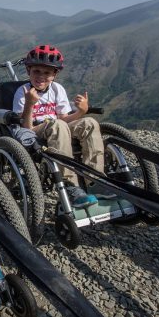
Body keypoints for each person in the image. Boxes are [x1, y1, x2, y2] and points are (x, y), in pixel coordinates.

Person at [12, 44, 115, 208]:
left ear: (54, 74)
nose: (41, 76)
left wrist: (81, 112)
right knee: (57, 125)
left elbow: (65, 119)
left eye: (47, 73)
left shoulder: (57, 89)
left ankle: (95, 180)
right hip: (35, 130)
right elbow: (26, 128)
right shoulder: (23, 92)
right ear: (28, 71)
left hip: (57, 127)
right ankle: (71, 186)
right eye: (36, 71)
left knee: (89, 123)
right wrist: (29, 104)